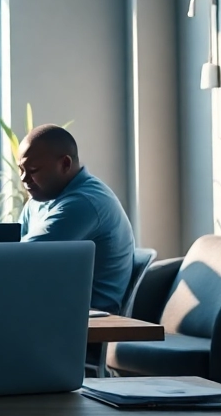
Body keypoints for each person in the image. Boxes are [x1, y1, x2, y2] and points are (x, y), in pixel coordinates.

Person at [19, 124, 135, 314]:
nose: (24, 179)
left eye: (33, 169)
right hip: (54, 310)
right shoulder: (39, 200)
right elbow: (12, 254)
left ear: (65, 164)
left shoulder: (83, 204)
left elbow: (17, 260)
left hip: (85, 322)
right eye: (20, 169)